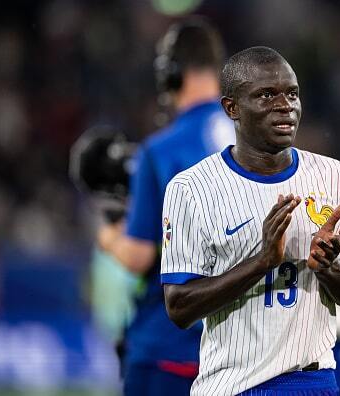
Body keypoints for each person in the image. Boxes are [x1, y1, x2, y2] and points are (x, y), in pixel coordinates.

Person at [161, 46, 340, 395]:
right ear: (232, 108)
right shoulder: (192, 189)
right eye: (266, 95)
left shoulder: (338, 179)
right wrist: (262, 262)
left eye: (292, 93)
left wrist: (329, 268)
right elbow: (179, 306)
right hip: (233, 385)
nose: (284, 105)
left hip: (313, 381)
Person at [97, 18, 235, 395]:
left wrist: (109, 237)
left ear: (172, 73)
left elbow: (141, 256)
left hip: (168, 347)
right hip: (240, 352)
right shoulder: (256, 143)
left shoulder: (160, 151)